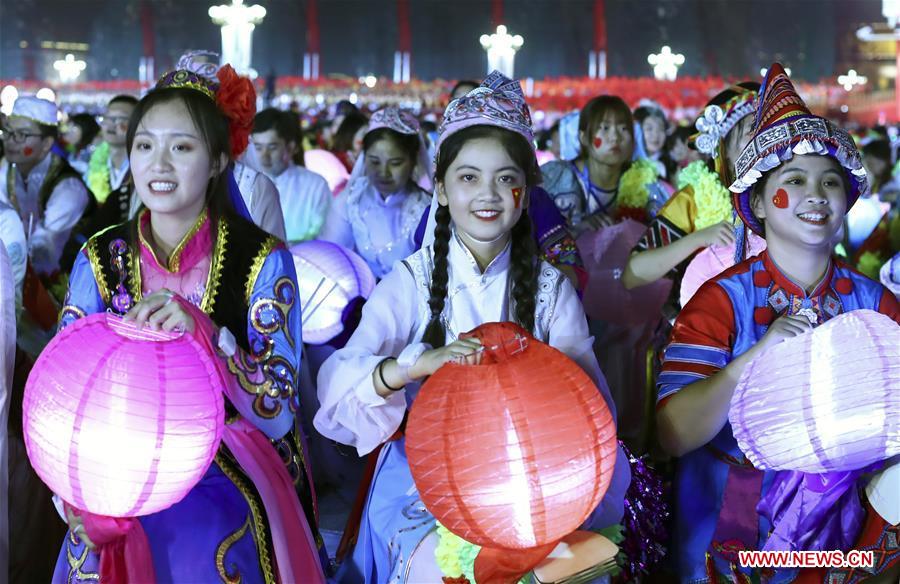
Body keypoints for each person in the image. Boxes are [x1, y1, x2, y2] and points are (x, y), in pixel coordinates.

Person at [314, 71, 629, 584]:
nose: (488, 194)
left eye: (506, 179)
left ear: (525, 195)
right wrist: (413, 367)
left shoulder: (551, 291)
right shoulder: (410, 282)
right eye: (468, 177)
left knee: (579, 569)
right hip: (424, 478)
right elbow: (338, 381)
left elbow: (592, 409)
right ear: (439, 188)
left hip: (535, 477)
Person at [51, 66, 325, 583]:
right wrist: (75, 493)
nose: (159, 164)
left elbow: (280, 404)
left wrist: (207, 335)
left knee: (205, 544)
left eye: (182, 147)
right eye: (146, 146)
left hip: (223, 464)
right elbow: (63, 392)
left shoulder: (260, 259)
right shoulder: (100, 257)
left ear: (219, 159)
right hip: (116, 469)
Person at [656, 64, 899, 583]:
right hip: (736, 534)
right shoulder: (720, 300)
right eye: (795, 180)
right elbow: (673, 434)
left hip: (847, 537)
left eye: (830, 182)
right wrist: (752, 359)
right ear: (759, 203)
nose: (816, 195)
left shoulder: (876, 305)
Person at [623, 83, 761, 293]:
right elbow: (633, 275)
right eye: (752, 132)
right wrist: (699, 238)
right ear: (721, 147)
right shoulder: (695, 198)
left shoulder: (788, 190)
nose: (764, 142)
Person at [319, 107, 431, 279]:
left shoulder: (426, 210)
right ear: (364, 158)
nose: (383, 172)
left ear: (413, 160)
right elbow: (331, 260)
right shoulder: (351, 202)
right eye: (374, 162)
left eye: (395, 163)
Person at [0, 96, 90, 276]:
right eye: (8, 132)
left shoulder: (68, 189)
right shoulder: (7, 170)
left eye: (22, 135)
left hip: (61, 285)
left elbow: (44, 251)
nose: (10, 141)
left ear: (47, 143)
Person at [251, 108, 331, 243]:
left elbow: (322, 237)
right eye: (258, 147)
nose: (264, 156)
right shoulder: (246, 183)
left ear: (290, 147)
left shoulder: (315, 185)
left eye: (272, 147)